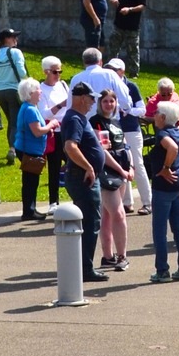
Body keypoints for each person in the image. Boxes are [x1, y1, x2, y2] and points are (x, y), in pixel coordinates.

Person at [58, 82, 114, 283]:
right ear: (82, 98)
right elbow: (70, 147)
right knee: (91, 222)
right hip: (83, 177)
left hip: (86, 176)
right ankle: (85, 269)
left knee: (91, 221)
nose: (93, 102)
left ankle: (84, 266)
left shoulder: (80, 118)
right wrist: (89, 167)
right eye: (92, 98)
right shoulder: (74, 118)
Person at [145, 102, 179, 283]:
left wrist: (166, 167)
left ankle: (162, 270)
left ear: (162, 117)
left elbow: (172, 148)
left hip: (163, 187)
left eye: (157, 113)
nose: (154, 116)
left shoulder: (162, 134)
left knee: (160, 230)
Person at [93, 87, 131, 271]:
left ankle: (108, 256)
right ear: (99, 103)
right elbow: (102, 152)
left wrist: (129, 167)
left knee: (108, 215)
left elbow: (124, 146)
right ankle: (122, 256)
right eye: (105, 101)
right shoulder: (96, 122)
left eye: (112, 101)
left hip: (121, 169)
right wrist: (121, 171)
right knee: (118, 213)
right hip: (107, 172)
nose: (109, 104)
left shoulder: (116, 122)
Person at [110, 58, 150, 215]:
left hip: (131, 129)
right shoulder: (109, 87)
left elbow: (142, 109)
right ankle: (127, 202)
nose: (112, 73)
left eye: (115, 70)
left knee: (137, 164)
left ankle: (147, 202)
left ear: (122, 71)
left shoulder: (130, 86)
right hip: (116, 129)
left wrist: (127, 110)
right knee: (122, 164)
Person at [11, 76, 52, 221]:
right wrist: (50, 125)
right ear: (31, 93)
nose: (40, 92)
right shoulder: (30, 110)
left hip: (28, 148)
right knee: (30, 182)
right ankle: (28, 211)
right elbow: (37, 131)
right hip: (29, 150)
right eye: (38, 89)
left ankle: (30, 209)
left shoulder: (29, 108)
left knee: (30, 182)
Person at [36, 56, 70, 204]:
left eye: (60, 71)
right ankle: (53, 202)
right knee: (54, 168)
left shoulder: (63, 85)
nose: (58, 75)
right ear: (46, 72)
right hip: (53, 133)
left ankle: (78, 197)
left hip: (67, 130)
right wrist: (61, 105)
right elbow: (44, 114)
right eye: (55, 72)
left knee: (75, 163)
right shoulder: (40, 89)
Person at [0, 28, 27, 149]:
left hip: (0, 93)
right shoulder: (16, 53)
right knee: (15, 122)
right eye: (13, 37)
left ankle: (13, 147)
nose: (16, 39)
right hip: (14, 91)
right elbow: (22, 72)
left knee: (11, 121)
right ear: (6, 39)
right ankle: (13, 149)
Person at [111, 0, 146, 73]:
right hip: (119, 25)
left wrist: (129, 9)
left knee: (133, 50)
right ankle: (112, 69)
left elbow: (142, 6)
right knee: (113, 48)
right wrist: (113, 0)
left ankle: (134, 72)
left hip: (132, 27)